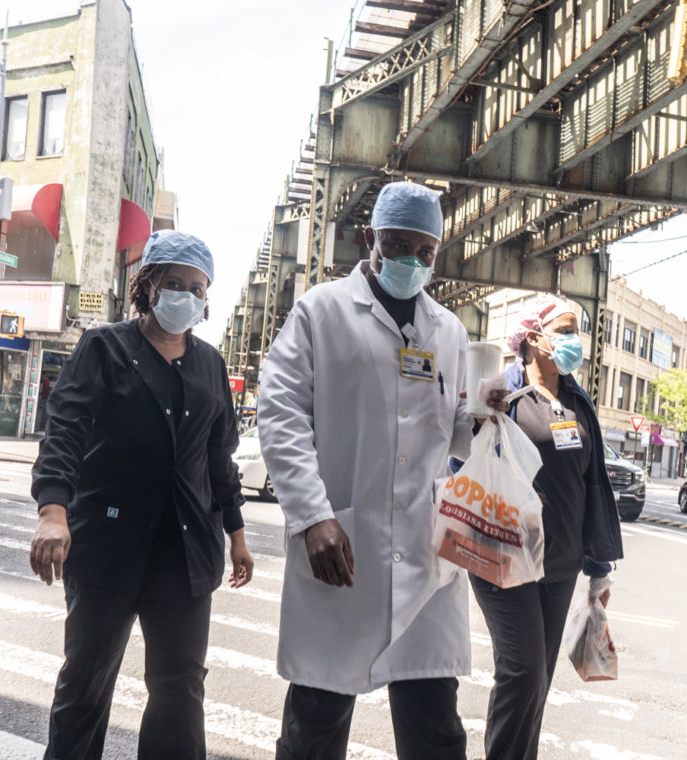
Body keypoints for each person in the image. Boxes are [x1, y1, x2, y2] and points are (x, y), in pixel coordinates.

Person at [257, 181, 506, 760]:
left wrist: (487, 416)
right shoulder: (321, 311)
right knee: (314, 727)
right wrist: (313, 516)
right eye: (398, 247)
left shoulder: (447, 330)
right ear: (369, 238)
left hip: (426, 560)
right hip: (342, 545)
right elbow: (280, 409)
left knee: (436, 732)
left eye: (425, 252)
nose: (412, 262)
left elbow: (454, 436)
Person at [29, 230, 254, 760]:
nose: (186, 295)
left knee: (180, 691)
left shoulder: (210, 366)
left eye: (198, 288)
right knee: (85, 683)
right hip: (109, 545)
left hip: (184, 552)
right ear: (147, 285)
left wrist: (237, 534)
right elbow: (65, 430)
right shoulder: (104, 348)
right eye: (174, 283)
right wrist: (53, 511)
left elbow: (219, 459)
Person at [464, 294, 623, 760]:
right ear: (533, 338)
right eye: (565, 330)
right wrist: (476, 415)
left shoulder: (577, 399)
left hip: (561, 563)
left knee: (538, 683)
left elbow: (590, 482)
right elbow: (461, 459)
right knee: (523, 672)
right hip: (504, 556)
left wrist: (598, 567)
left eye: (577, 331)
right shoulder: (503, 391)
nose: (575, 341)